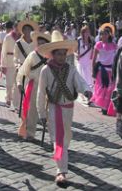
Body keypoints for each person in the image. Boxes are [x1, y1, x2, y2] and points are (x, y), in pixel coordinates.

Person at [36, 30, 93, 185]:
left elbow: (79, 81)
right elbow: (41, 93)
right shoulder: (46, 70)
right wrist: (41, 113)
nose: (61, 57)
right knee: (58, 139)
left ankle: (63, 157)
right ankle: (61, 171)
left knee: (66, 137)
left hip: (68, 108)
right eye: (58, 54)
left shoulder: (71, 69)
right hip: (54, 109)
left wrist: (86, 90)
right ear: (52, 54)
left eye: (63, 54)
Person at [16, 27, 51, 139]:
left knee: (49, 111)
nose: (41, 45)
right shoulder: (32, 55)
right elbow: (23, 70)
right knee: (31, 110)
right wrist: (19, 83)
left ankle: (53, 136)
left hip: (47, 87)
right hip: (34, 85)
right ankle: (29, 132)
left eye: (43, 43)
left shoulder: (51, 57)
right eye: (39, 43)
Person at [90, 25, 117, 114]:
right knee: (102, 89)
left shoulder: (114, 45)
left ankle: (107, 107)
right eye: (102, 34)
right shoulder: (98, 45)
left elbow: (116, 58)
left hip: (111, 70)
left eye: (106, 34)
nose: (104, 36)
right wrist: (93, 70)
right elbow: (94, 59)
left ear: (109, 35)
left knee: (110, 89)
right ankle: (103, 107)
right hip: (101, 71)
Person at [0, 22, 21, 108]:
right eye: (16, 27)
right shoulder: (8, 37)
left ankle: (15, 103)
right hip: (9, 61)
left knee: (17, 84)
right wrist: (3, 64)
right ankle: (8, 98)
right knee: (9, 83)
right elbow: (3, 51)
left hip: (19, 63)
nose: (17, 29)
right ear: (13, 27)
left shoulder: (22, 38)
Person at [76, 25, 95, 99]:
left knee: (89, 78)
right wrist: (76, 55)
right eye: (85, 32)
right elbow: (75, 50)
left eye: (88, 32)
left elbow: (93, 50)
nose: (87, 33)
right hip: (81, 62)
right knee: (82, 78)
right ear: (82, 33)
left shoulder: (92, 40)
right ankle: (83, 93)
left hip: (88, 62)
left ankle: (89, 95)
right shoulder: (79, 40)